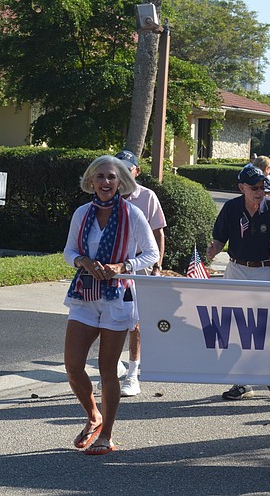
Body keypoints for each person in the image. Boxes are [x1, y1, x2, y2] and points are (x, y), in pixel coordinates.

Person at [63, 155, 159, 455]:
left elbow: (151, 253)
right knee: (73, 365)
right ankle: (93, 415)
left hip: (118, 297)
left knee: (107, 369)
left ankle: (106, 434)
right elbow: (68, 251)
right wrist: (82, 261)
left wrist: (122, 266)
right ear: (91, 181)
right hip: (85, 294)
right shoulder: (81, 213)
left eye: (111, 177)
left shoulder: (132, 214)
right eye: (100, 177)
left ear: (121, 182)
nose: (106, 182)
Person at [208, 165, 270, 400]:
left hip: (266, 270)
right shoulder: (231, 208)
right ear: (242, 188)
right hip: (237, 269)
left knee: (266, 325)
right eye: (254, 187)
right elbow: (219, 239)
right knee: (236, 325)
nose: (260, 191)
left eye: (263, 187)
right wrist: (211, 251)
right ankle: (242, 382)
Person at [114, 150, 167, 398]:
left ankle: (133, 373)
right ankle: (111, 365)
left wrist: (156, 266)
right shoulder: (107, 193)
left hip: (140, 264)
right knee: (110, 317)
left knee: (136, 322)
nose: (123, 173)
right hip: (112, 266)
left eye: (128, 168)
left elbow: (158, 233)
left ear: (137, 171)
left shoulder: (147, 196)